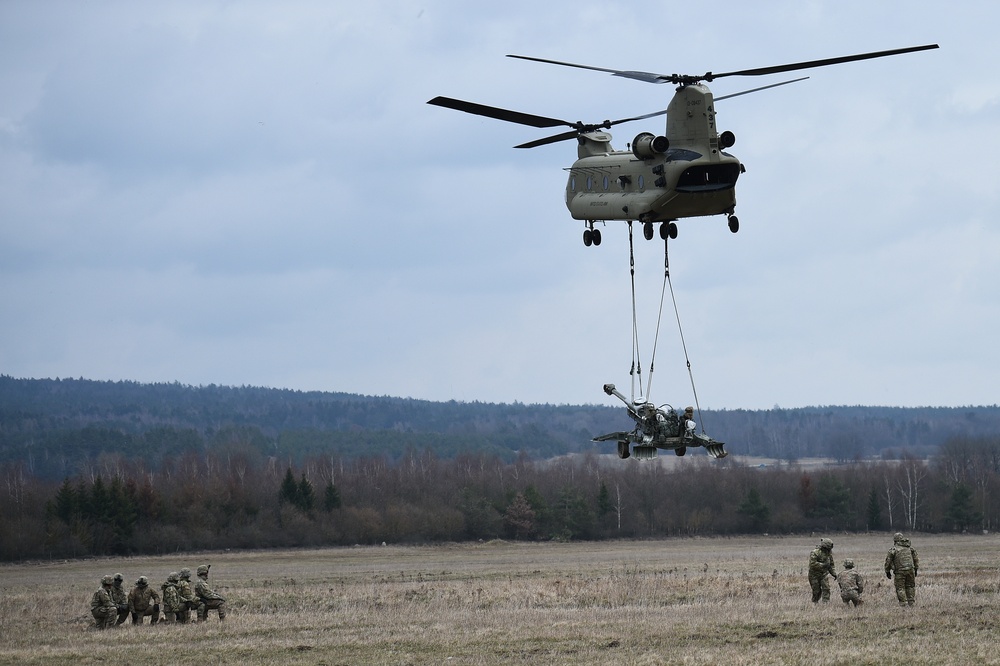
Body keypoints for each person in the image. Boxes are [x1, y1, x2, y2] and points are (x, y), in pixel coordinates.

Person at [885, 532, 920, 606]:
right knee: (910, 586)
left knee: (900, 588)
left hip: (899, 571)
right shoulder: (910, 548)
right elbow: (916, 559)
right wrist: (916, 569)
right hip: (911, 570)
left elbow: (888, 561)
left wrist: (887, 571)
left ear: (895, 540)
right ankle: (911, 603)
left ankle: (903, 604)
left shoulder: (893, 549)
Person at [808, 538, 837, 603]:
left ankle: (825, 603)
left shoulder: (828, 553)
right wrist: (823, 565)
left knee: (826, 589)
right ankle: (814, 603)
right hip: (814, 575)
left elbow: (831, 564)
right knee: (816, 591)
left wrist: (834, 574)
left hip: (824, 574)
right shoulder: (815, 552)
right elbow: (812, 564)